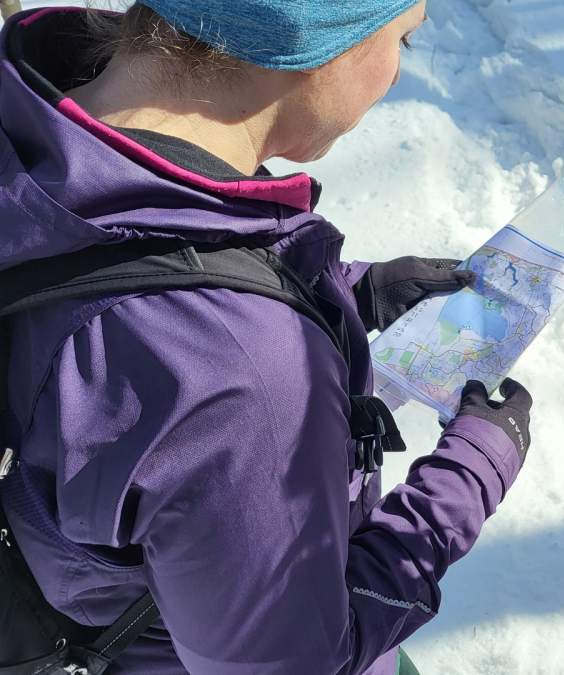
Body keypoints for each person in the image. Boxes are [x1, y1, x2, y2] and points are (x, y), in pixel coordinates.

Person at [0, 2, 532, 674]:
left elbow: (108, 286)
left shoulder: (37, 113)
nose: (396, 74)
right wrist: (471, 472)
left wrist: (349, 292)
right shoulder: (240, 376)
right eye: (403, 40)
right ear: (320, 36)